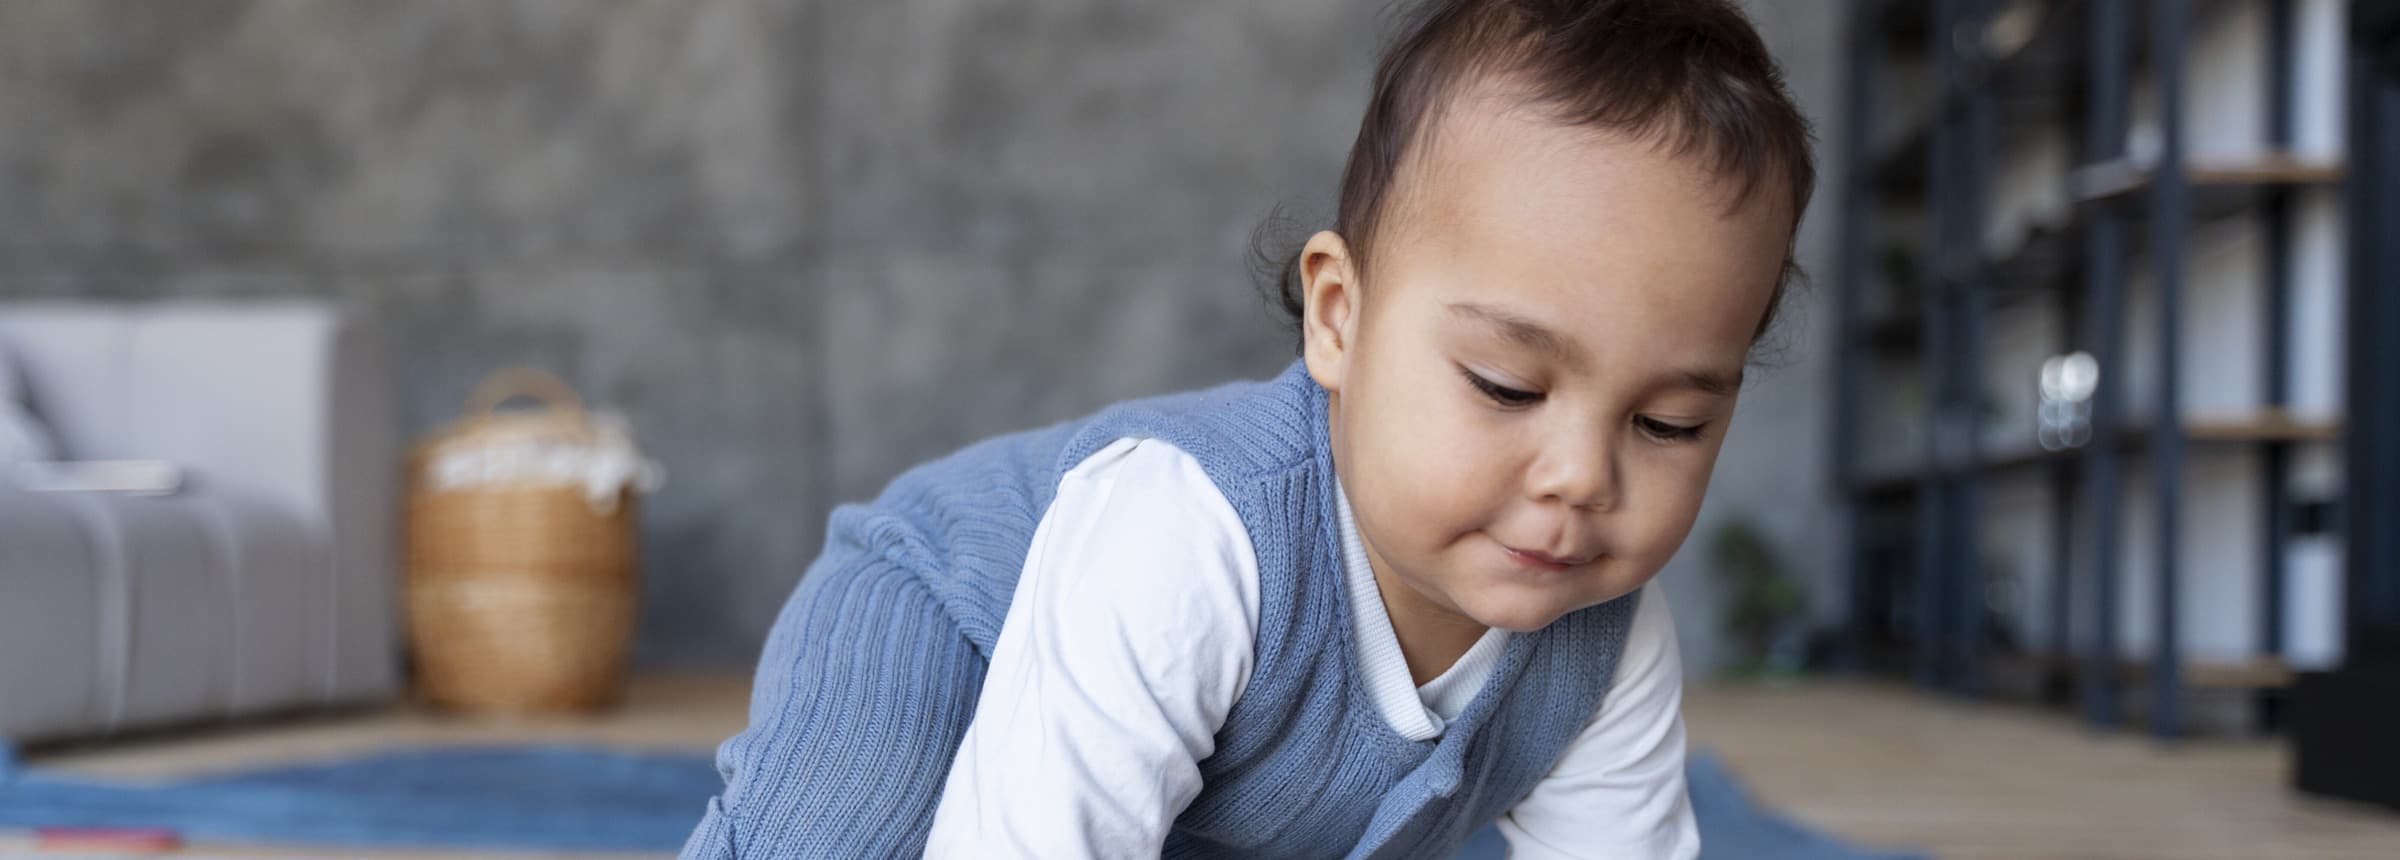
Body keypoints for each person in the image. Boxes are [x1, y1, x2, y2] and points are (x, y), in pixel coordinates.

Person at [683, 0, 1814, 856]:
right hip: (946, 619)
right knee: (844, 831)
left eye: (1668, 423)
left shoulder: (1606, 639)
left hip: (1195, 770)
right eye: (1506, 386)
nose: (1580, 476)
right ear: (1339, 318)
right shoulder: (1189, 536)